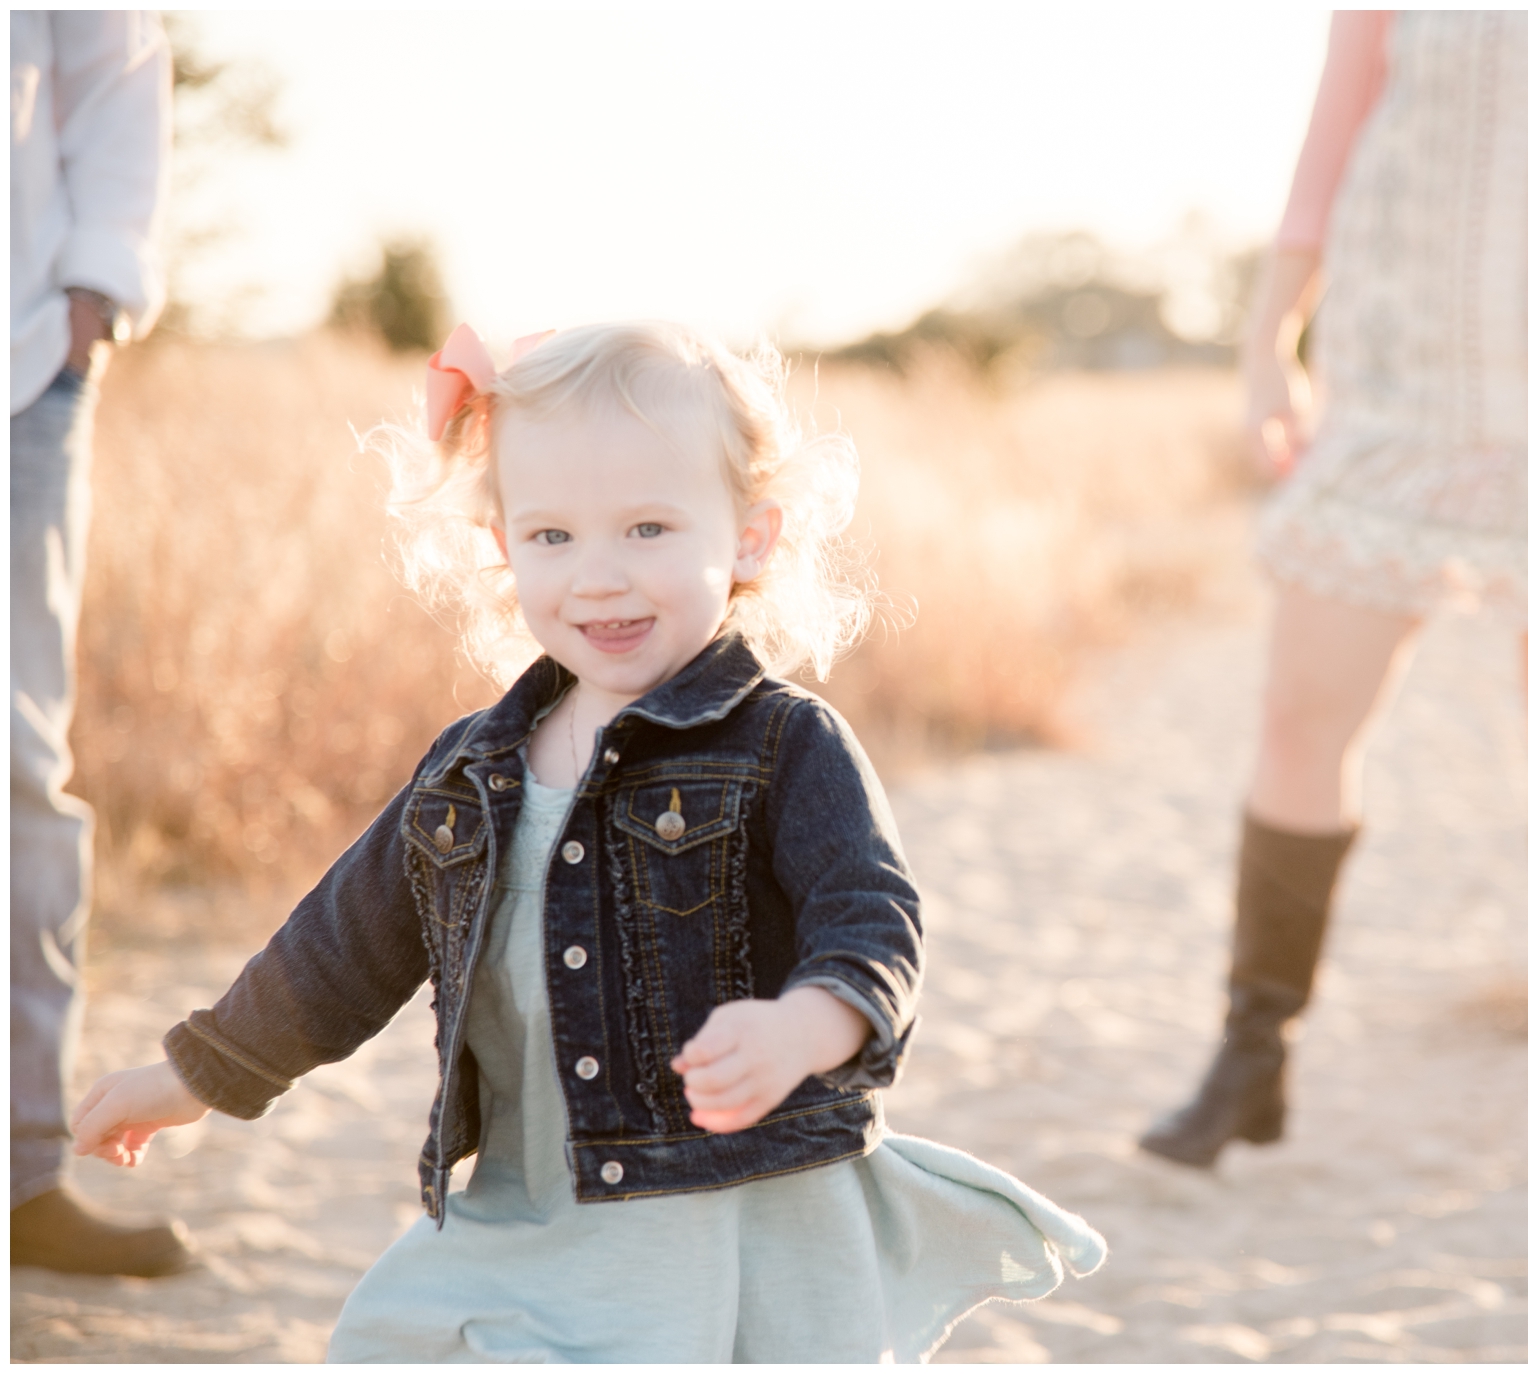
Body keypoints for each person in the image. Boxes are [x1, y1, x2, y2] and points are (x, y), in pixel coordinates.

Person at [70, 321, 1105, 1361]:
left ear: (748, 535)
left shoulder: (784, 743)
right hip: (529, 1211)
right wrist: (200, 1074)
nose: (598, 578)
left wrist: (807, 1026)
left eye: (649, 529)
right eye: (552, 537)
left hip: (724, 1215)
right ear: (501, 545)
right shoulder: (468, 772)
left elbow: (870, 917)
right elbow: (342, 949)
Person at [1139, 12, 1528, 1184]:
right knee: (1299, 714)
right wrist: (1269, 330)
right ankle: (1249, 1055)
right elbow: (1334, 125)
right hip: (1397, 370)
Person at [11, 10, 185, 1276]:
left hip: (17, 363)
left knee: (14, 766)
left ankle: (20, 1173)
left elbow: (116, 51)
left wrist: (94, 289)